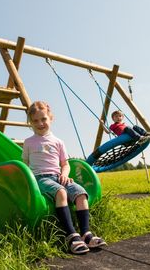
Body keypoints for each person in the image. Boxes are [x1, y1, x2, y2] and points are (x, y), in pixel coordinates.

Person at [22, 101, 106, 254]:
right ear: (30, 122)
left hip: (58, 176)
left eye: (43, 119)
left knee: (80, 193)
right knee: (61, 192)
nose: (40, 123)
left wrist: (64, 175)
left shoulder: (58, 142)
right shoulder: (28, 143)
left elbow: (65, 164)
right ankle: (71, 236)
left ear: (51, 119)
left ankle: (86, 233)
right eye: (35, 121)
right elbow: (26, 164)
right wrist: (29, 183)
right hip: (41, 179)